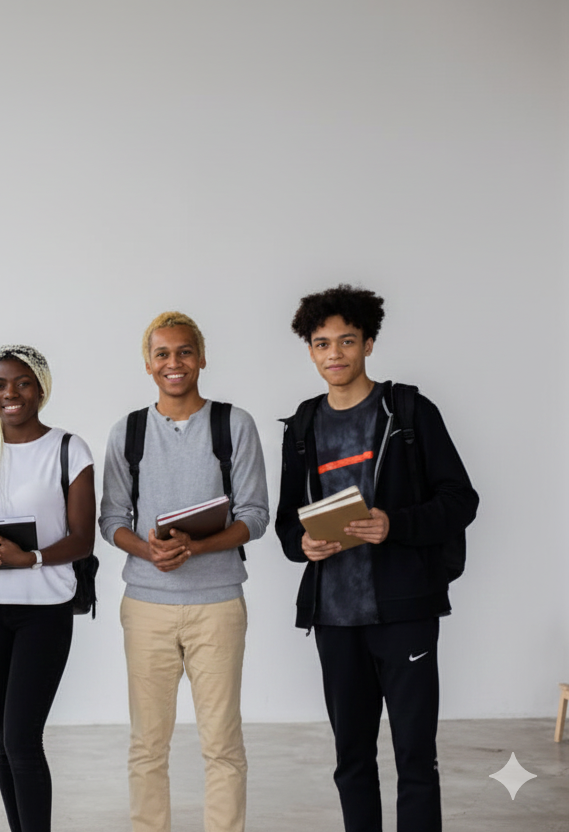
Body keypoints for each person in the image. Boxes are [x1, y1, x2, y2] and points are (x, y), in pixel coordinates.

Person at [274, 285, 478, 832]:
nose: (334, 353)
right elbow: (286, 522)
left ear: (368, 344)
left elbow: (461, 500)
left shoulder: (407, 410)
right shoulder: (302, 426)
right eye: (321, 343)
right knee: (352, 761)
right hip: (334, 618)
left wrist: (395, 524)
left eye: (346, 341)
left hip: (404, 612)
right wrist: (302, 544)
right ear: (310, 351)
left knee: (416, 757)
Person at [99, 312, 268, 832]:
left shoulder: (232, 424)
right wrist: (151, 552)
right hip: (146, 606)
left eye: (185, 352)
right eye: (163, 354)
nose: (175, 363)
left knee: (222, 743)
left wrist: (197, 546)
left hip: (218, 605)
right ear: (148, 363)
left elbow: (255, 516)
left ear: (201, 358)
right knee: (148, 744)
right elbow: (111, 520)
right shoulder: (127, 431)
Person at [0, 344, 95, 832]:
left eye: (23, 383)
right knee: (1, 739)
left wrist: (27, 558)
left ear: (41, 389)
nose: (10, 394)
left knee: (22, 739)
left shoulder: (69, 449)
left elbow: (81, 539)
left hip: (44, 610)